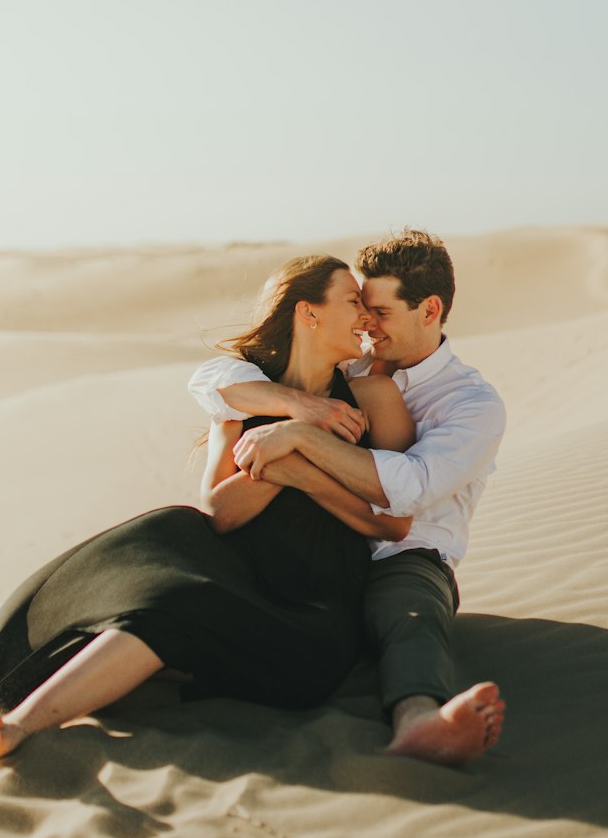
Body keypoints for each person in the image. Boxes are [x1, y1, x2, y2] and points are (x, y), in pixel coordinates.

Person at [0, 255, 421, 768]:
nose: (367, 319)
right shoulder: (244, 397)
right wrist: (293, 427)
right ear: (309, 313)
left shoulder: (374, 402)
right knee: (161, 541)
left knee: (174, 608)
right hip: (238, 575)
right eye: (352, 302)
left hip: (311, 611)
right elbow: (219, 512)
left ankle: (14, 726)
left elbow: (392, 519)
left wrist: (294, 459)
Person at [188, 229, 507, 766]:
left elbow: (413, 488)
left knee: (408, 613)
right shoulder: (352, 366)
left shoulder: (471, 403)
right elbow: (211, 378)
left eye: (378, 310)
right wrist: (295, 404)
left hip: (405, 554)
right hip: (318, 544)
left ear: (429, 310)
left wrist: (301, 439)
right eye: (359, 305)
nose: (364, 321)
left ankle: (419, 721)